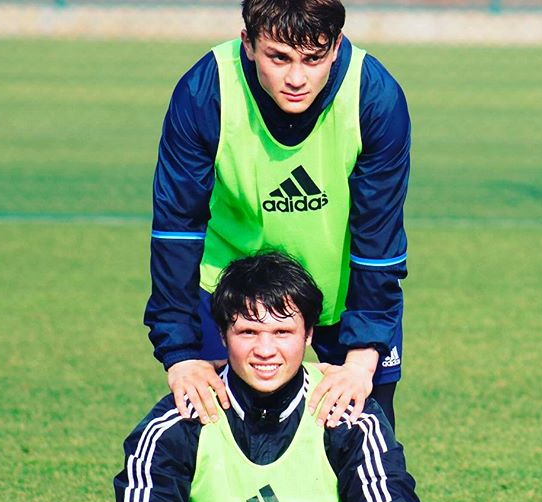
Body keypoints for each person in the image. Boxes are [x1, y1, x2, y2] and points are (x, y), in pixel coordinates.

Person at [110, 252, 429, 502]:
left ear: (308, 335)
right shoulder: (182, 414)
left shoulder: (346, 411)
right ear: (223, 334)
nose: (265, 349)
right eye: (248, 332)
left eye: (282, 332)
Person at [145, 0, 410, 431]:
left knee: (365, 430)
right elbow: (177, 227)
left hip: (346, 295)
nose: (296, 78)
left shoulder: (374, 97)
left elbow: (378, 238)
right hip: (230, 293)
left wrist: (363, 359)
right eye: (279, 58)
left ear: (337, 46)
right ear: (248, 44)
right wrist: (181, 352)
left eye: (313, 58)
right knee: (213, 431)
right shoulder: (204, 91)